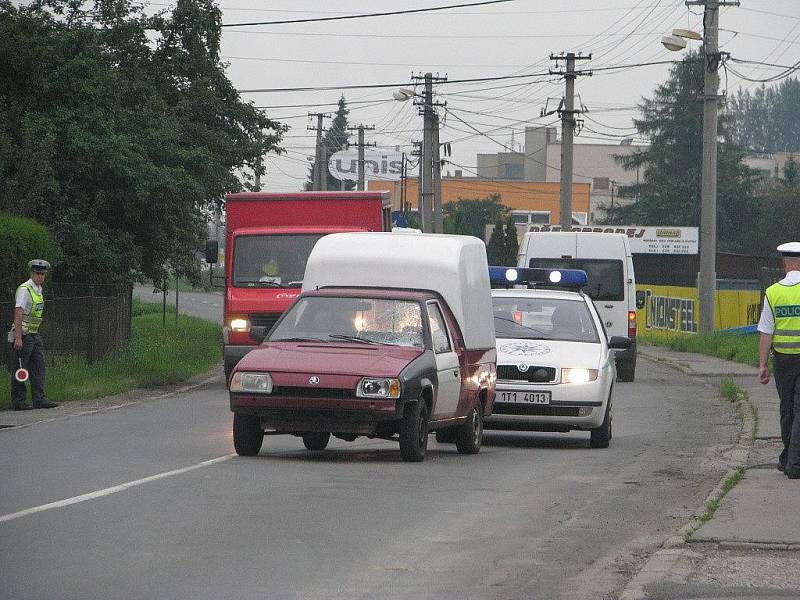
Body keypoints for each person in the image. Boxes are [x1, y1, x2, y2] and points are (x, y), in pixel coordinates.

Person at [758, 241, 800, 479]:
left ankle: (788, 458)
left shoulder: (773, 293)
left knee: (787, 410)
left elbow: (766, 332)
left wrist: (762, 365)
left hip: (783, 361)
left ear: (785, 264)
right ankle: (793, 463)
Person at [8, 259, 58, 410]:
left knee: (38, 367)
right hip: (23, 334)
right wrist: (17, 337)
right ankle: (18, 401)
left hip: (34, 334)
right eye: (37, 273)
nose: (40, 276)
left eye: (43, 274)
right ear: (32, 273)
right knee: (20, 368)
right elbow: (18, 311)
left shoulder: (38, 289)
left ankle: (39, 399)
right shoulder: (25, 289)